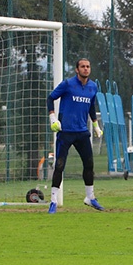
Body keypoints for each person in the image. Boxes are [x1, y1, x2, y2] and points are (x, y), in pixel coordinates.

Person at [46, 58, 104, 214]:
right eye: (82, 66)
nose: (86, 69)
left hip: (82, 132)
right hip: (66, 132)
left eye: (88, 66)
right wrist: (53, 117)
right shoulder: (67, 84)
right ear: (77, 69)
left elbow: (91, 106)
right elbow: (50, 98)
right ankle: (53, 201)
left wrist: (96, 125)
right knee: (59, 165)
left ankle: (90, 198)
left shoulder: (93, 87)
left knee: (89, 164)